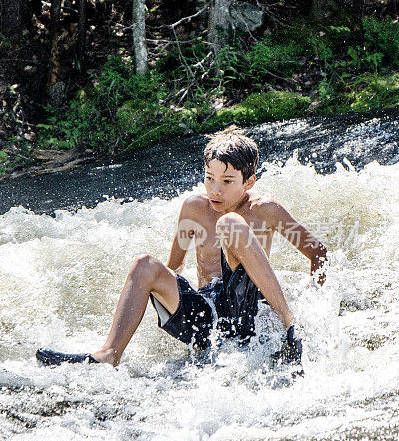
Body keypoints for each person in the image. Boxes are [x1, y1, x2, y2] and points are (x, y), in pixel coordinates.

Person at [37, 125, 327, 368]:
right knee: (145, 264)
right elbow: (174, 267)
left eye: (227, 181)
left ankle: (291, 328)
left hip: (247, 311)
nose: (215, 189)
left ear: (249, 181)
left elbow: (318, 253)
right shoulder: (194, 209)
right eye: (209, 178)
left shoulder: (266, 210)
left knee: (231, 223)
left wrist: (312, 298)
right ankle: (108, 355)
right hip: (208, 316)